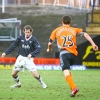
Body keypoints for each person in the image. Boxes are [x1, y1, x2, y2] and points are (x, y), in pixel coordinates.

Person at [46, 15, 98, 97]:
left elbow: (50, 43)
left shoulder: (56, 30)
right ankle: (72, 89)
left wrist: (49, 49)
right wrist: (93, 44)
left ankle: (74, 88)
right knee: (67, 70)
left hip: (64, 53)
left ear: (62, 22)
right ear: (70, 22)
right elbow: (86, 34)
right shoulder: (74, 30)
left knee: (65, 71)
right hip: (73, 55)